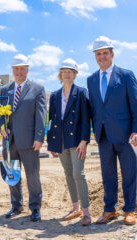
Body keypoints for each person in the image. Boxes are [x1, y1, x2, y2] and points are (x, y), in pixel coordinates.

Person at [87, 36, 137, 225]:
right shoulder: (91, 79)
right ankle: (109, 209)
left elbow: (136, 105)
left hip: (126, 135)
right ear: (95, 56)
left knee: (129, 173)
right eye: (98, 54)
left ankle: (129, 210)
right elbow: (94, 108)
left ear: (112, 53)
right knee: (108, 175)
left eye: (105, 53)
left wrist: (136, 131)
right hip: (103, 136)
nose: (102, 57)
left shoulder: (126, 75)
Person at [0, 54, 47, 222]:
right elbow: (1, 113)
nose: (19, 71)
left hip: (29, 141)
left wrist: (39, 137)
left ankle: (35, 207)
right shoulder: (5, 90)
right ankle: (16, 205)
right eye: (16, 69)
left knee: (33, 175)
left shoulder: (37, 88)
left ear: (27, 69)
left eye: (22, 68)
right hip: (10, 141)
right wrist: (1, 126)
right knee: (12, 174)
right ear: (12, 70)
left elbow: (41, 116)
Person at [47, 58, 92, 226]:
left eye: (70, 72)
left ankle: (86, 212)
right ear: (60, 74)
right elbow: (51, 119)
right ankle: (76, 208)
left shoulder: (81, 92)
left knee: (78, 174)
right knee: (68, 174)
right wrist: (52, 143)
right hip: (61, 141)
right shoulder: (55, 95)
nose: (67, 74)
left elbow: (86, 118)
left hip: (77, 141)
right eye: (64, 72)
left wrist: (84, 141)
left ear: (75, 74)